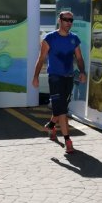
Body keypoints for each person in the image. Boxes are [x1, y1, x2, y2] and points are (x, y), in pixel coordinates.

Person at [32, 11, 86, 153]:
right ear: (60, 20)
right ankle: (67, 140)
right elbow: (41, 58)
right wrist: (35, 76)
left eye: (71, 20)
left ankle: (51, 125)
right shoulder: (50, 38)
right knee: (62, 110)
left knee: (62, 106)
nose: (69, 22)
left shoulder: (74, 39)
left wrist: (82, 72)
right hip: (55, 77)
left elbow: (79, 58)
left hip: (68, 78)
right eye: (66, 19)